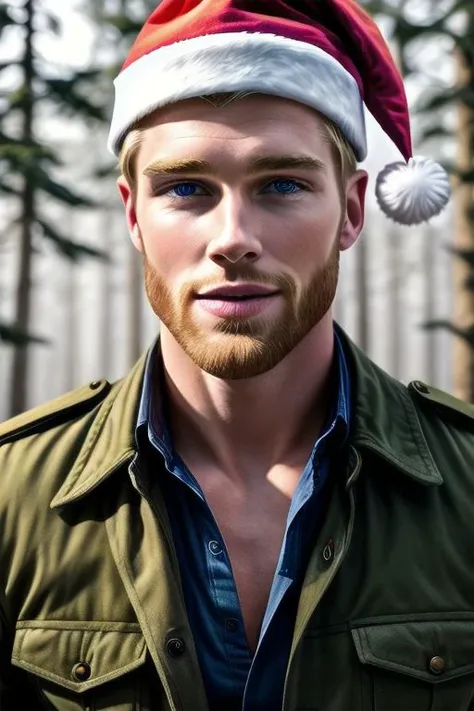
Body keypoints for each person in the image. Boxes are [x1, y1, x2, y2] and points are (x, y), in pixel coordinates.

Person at [0, 1, 472, 710]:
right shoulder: (14, 497)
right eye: (186, 188)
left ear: (351, 210)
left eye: (282, 184)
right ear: (133, 213)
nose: (233, 237)